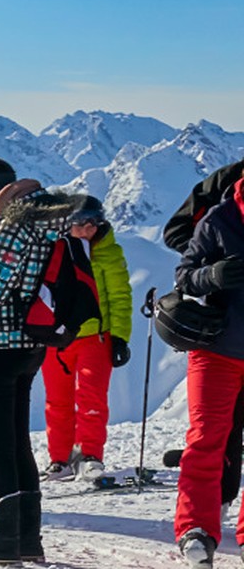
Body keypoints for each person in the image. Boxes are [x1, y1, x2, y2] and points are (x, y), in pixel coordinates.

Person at [0, 155, 87, 565]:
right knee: (17, 441)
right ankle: (29, 538)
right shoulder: (47, 218)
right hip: (32, 341)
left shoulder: (14, 222)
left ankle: (4, 541)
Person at [173, 178, 244, 568]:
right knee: (205, 440)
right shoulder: (220, 218)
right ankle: (196, 529)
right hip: (216, 350)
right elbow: (184, 275)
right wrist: (212, 276)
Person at [41, 196, 133, 483]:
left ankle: (91, 454)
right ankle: (60, 458)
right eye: (79, 223)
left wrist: (119, 337)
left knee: (92, 398)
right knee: (57, 401)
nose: (86, 229)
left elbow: (120, 296)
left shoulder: (108, 252)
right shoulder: (54, 251)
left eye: (92, 223)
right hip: (57, 338)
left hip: (96, 337)